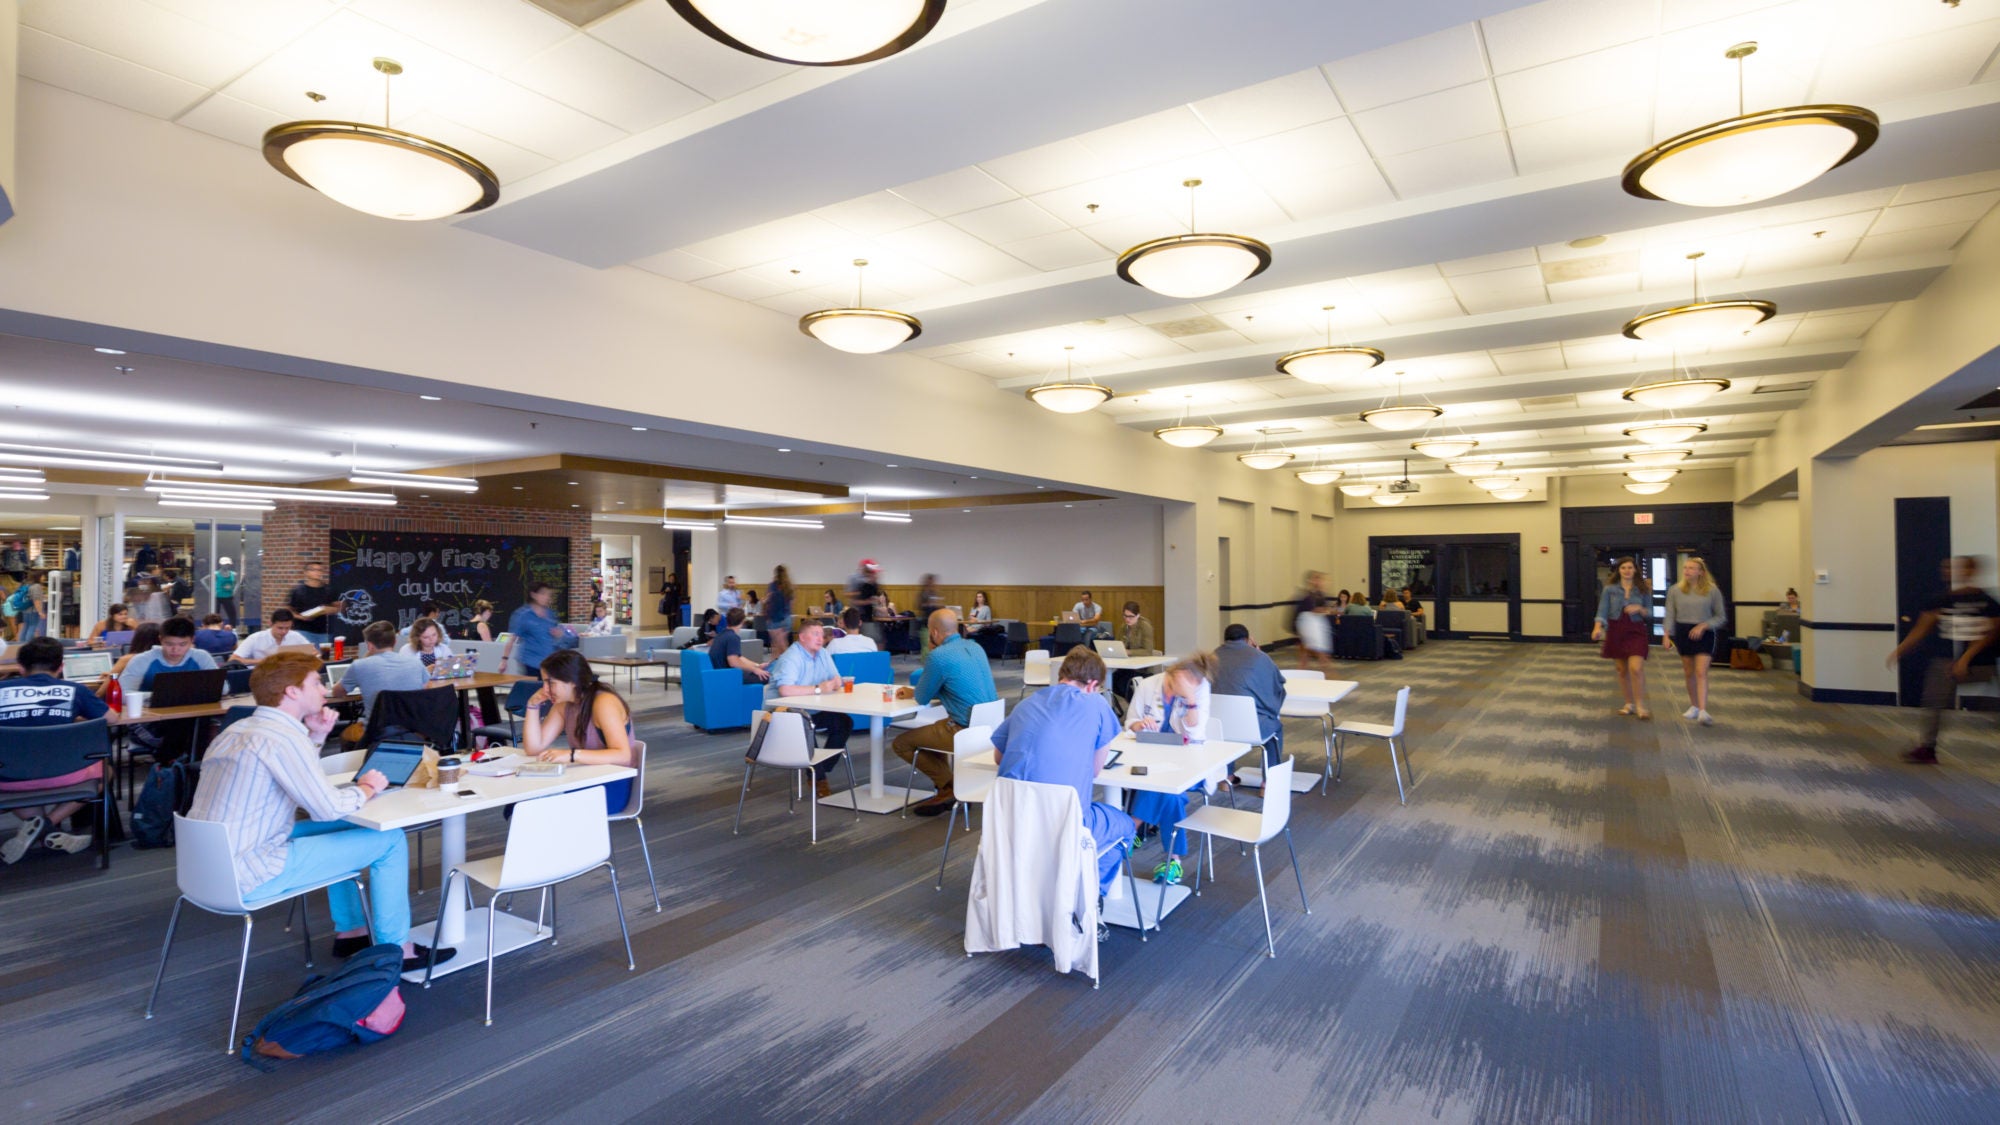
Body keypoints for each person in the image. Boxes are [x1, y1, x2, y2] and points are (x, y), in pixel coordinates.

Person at [186, 650, 449, 970]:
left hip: (208, 864)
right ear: (292, 692)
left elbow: (293, 779)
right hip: (251, 868)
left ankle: (352, 931)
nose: (325, 689)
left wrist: (318, 735)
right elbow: (326, 808)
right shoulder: (281, 739)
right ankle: (397, 950)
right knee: (390, 841)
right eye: (316, 682)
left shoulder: (236, 731)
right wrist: (368, 788)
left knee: (359, 829)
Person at [990, 646, 1134, 898]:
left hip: (1011, 820)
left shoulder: (1026, 703)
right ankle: (1089, 899)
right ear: (1092, 685)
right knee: (1125, 826)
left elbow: (998, 757)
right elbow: (1094, 771)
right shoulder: (1097, 705)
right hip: (1064, 823)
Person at [0, 638, 113, 862]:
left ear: (21, 668)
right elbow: (111, 719)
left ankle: (39, 827)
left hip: (8, 778)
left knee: (20, 769)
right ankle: (49, 826)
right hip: (65, 774)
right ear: (61, 667)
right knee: (105, 771)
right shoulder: (76, 691)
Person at [1886, 555, 2000, 764]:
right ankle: (1927, 749)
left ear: (1970, 571)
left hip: (1979, 661)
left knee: (1988, 703)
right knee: (1933, 703)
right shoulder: (1941, 600)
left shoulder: (1987, 601)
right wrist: (1900, 650)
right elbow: (1921, 628)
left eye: (1955, 567)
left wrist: (1966, 659)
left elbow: (1990, 632)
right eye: (1947, 567)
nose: (1948, 571)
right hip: (1945, 661)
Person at [895, 610, 999, 817]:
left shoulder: (938, 656)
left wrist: (932, 652)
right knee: (933, 732)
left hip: (964, 731)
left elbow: (923, 698)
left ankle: (951, 787)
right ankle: (947, 789)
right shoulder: (976, 647)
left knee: (902, 744)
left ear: (934, 632)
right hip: (992, 729)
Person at [1123, 653, 1214, 883]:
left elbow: (1194, 733)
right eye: (1173, 685)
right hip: (1151, 759)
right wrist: (1139, 724)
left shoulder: (1201, 689)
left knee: (1168, 786)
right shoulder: (1148, 685)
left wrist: (1190, 699)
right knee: (1171, 795)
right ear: (1169, 674)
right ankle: (1173, 861)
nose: (1174, 692)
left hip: (1191, 762)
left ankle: (1128, 830)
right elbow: (1130, 723)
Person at [523, 649, 635, 813]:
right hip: (585, 777)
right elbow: (533, 748)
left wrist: (572, 755)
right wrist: (532, 706)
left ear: (572, 681)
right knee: (527, 801)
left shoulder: (603, 703)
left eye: (550, 682)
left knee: (538, 804)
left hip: (612, 784)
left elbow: (623, 756)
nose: (545, 689)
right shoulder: (564, 705)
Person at [761, 621, 850, 798]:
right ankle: (818, 778)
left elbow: (837, 678)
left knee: (844, 722)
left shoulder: (823, 653)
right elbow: (785, 690)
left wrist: (835, 682)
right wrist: (818, 688)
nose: (821, 638)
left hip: (810, 710)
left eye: (821, 634)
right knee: (805, 724)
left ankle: (821, 766)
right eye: (815, 634)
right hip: (781, 714)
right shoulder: (791, 657)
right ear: (802, 638)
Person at [1213, 622, 1288, 766]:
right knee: (1275, 726)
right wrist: (1259, 653)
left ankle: (1226, 778)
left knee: (1227, 734)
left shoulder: (1212, 656)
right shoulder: (1259, 658)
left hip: (1216, 725)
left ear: (1224, 640)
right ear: (1248, 640)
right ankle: (1268, 782)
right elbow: (1276, 685)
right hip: (1251, 725)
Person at [1664, 557, 1728, 726]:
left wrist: (1704, 625)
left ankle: (1703, 710)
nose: (1687, 570)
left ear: (1701, 571)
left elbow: (1720, 616)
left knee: (1701, 671)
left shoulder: (1712, 590)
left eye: (1692, 568)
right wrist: (1666, 634)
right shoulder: (1675, 590)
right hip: (1683, 632)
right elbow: (1670, 613)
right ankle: (1693, 706)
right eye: (1686, 568)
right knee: (1688, 671)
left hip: (1704, 633)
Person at [334, 620, 427, 726]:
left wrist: (366, 656)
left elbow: (337, 693)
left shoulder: (359, 666)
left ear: (369, 646)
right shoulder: (416, 663)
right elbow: (426, 688)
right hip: (413, 729)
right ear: (395, 641)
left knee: (345, 738)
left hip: (376, 732)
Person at [1593, 557, 1653, 719]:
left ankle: (1640, 705)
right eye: (1623, 568)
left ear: (1635, 570)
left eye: (1630, 568)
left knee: (1636, 668)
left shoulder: (1642, 589)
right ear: (1618, 571)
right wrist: (1598, 627)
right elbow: (1602, 610)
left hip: (1636, 630)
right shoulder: (1610, 589)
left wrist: (1640, 608)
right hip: (1616, 629)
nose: (1627, 571)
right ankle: (1629, 703)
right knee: (1621, 670)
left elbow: (1650, 612)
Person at [118, 616, 217, 694]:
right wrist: (159, 695)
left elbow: (222, 688)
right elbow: (122, 693)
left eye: (183, 644)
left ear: (192, 640)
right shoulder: (141, 660)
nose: (175, 650)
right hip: (151, 716)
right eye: (169, 644)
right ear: (160, 640)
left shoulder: (202, 657)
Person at [506, 582, 565, 676]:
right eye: (543, 594)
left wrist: (558, 635)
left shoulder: (551, 614)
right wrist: (504, 659)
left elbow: (555, 638)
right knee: (533, 688)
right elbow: (512, 638)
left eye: (549, 595)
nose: (547, 597)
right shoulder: (523, 615)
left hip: (549, 662)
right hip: (530, 662)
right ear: (534, 595)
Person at [285, 562, 348, 647]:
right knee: (310, 655)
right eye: (313, 570)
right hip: (303, 629)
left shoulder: (329, 590)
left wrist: (329, 609)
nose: (317, 572)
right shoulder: (297, 591)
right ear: (306, 572)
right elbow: (288, 610)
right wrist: (301, 617)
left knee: (323, 657)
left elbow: (339, 607)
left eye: (320, 570)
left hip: (324, 631)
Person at [231, 608, 315, 666]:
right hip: (263, 674)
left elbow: (314, 652)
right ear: (270, 623)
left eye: (287, 628)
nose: (284, 632)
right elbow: (233, 660)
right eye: (280, 628)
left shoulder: (295, 636)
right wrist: (262, 661)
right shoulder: (256, 638)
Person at [102, 621, 162, 697]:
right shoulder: (163, 660)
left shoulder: (127, 659)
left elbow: (102, 691)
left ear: (137, 639)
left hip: (132, 702)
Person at [708, 607, 768, 683]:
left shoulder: (721, 635)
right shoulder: (733, 637)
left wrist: (757, 666)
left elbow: (738, 657)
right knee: (767, 677)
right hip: (729, 676)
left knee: (759, 673)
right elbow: (733, 663)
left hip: (719, 673)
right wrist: (754, 669)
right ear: (742, 622)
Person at [1295, 571, 1332, 670]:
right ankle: (1327, 673)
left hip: (1316, 625)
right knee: (1310, 653)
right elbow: (1311, 610)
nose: (1318, 581)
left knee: (1310, 653)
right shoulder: (1308, 596)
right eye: (1316, 579)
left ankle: (1326, 672)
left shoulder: (1319, 594)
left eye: (1319, 579)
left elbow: (1321, 608)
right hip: (1308, 625)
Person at [766, 565, 795, 657]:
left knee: (777, 647)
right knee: (782, 645)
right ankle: (777, 668)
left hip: (775, 619)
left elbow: (769, 601)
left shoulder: (773, 586)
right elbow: (791, 604)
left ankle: (791, 665)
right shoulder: (789, 587)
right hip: (786, 618)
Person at [202, 557, 240, 626]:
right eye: (224, 564)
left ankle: (232, 629)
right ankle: (215, 628)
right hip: (218, 597)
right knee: (215, 616)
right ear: (221, 565)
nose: (226, 565)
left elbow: (238, 582)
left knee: (232, 615)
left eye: (227, 564)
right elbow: (203, 580)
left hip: (228, 597)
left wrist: (234, 590)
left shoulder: (233, 574)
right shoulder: (216, 574)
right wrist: (210, 591)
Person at [14, 569, 47, 643]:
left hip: (25, 610)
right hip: (33, 611)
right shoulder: (36, 586)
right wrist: (40, 612)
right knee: (33, 627)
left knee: (26, 627)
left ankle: (21, 644)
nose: (44, 578)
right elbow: (36, 600)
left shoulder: (27, 585)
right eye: (43, 576)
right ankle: (29, 643)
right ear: (38, 576)